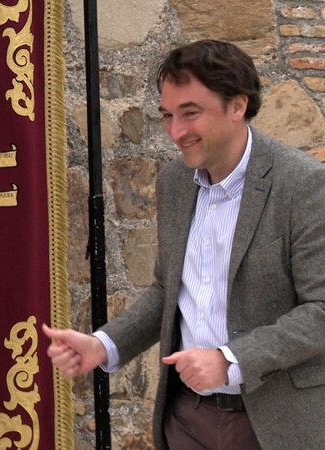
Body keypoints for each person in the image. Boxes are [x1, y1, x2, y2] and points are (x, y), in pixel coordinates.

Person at [43, 39, 325, 450]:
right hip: (185, 420)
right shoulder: (174, 182)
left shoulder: (303, 184)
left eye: (190, 113)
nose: (176, 132)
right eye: (167, 115)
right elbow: (168, 290)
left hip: (274, 424)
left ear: (237, 105)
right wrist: (105, 344)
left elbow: (321, 310)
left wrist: (231, 359)